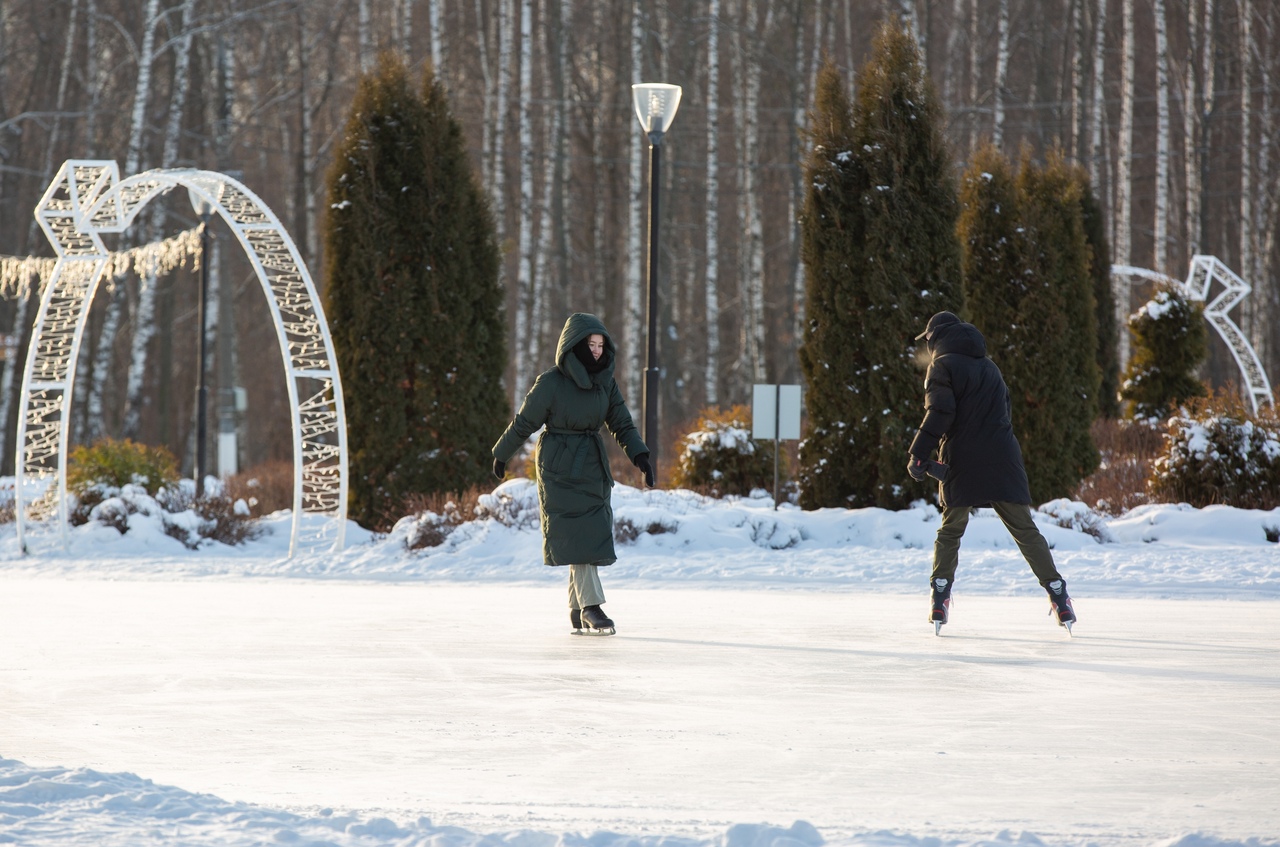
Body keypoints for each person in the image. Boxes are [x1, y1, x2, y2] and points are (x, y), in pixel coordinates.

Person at [907, 311, 1077, 635]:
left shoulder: (941, 366)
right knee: (1025, 531)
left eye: (927, 341)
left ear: (936, 338)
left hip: (962, 458)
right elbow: (1005, 414)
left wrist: (918, 453)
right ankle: (1058, 593)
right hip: (1003, 457)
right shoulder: (990, 368)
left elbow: (941, 411)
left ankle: (939, 595)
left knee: (950, 529)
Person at [492, 312, 655, 636]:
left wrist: (641, 455)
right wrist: (501, 453)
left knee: (588, 532)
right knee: (577, 535)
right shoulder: (551, 382)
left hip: (592, 464)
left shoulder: (605, 383)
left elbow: (622, 423)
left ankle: (578, 609)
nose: (596, 351)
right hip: (558, 465)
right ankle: (592, 605)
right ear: (574, 346)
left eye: (600, 345)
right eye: (590, 345)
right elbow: (525, 421)